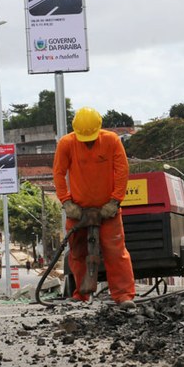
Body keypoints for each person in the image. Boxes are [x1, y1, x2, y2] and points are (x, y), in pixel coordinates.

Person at [53, 107, 136, 309]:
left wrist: (115, 201)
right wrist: (66, 202)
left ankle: (123, 296)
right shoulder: (66, 143)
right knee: (77, 252)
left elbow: (122, 171)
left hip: (107, 210)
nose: (87, 142)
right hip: (78, 211)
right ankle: (81, 295)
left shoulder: (111, 141)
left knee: (115, 252)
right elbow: (58, 173)